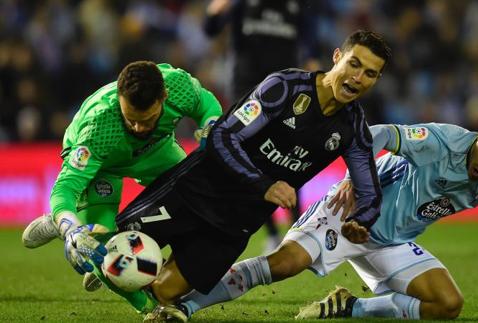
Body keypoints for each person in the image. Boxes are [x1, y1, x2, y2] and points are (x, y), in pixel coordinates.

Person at [63, 29, 390, 320]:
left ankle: (134, 273)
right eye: (354, 64)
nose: (358, 77)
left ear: (376, 80)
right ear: (337, 57)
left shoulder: (354, 130)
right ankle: (104, 255)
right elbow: (223, 137)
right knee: (112, 248)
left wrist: (361, 220)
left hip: (237, 222)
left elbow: (369, 190)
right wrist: (264, 184)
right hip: (196, 189)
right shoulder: (285, 89)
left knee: (163, 292)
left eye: (370, 73)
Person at [151, 112, 478, 321]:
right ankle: (186, 307)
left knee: (448, 305)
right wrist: (354, 178)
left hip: (389, 240)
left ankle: (348, 308)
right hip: (348, 213)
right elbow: (378, 134)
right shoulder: (441, 141)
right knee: (286, 264)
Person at [21, 60, 223, 312]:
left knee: (196, 202)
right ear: (119, 99)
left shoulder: (178, 85)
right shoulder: (98, 126)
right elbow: (65, 188)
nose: (138, 128)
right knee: (99, 249)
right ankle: (149, 307)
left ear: (164, 97)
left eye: (147, 119)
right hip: (102, 167)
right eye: (131, 119)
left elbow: (206, 103)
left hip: (156, 151)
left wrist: (210, 126)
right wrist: (72, 230)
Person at [203, 0, 322, 251]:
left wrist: (312, 64)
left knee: (287, 154)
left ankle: (296, 227)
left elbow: (310, 39)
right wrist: (216, 10)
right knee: (253, 158)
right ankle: (271, 232)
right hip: (245, 88)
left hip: (285, 88)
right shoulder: (241, 3)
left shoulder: (296, 6)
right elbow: (211, 29)